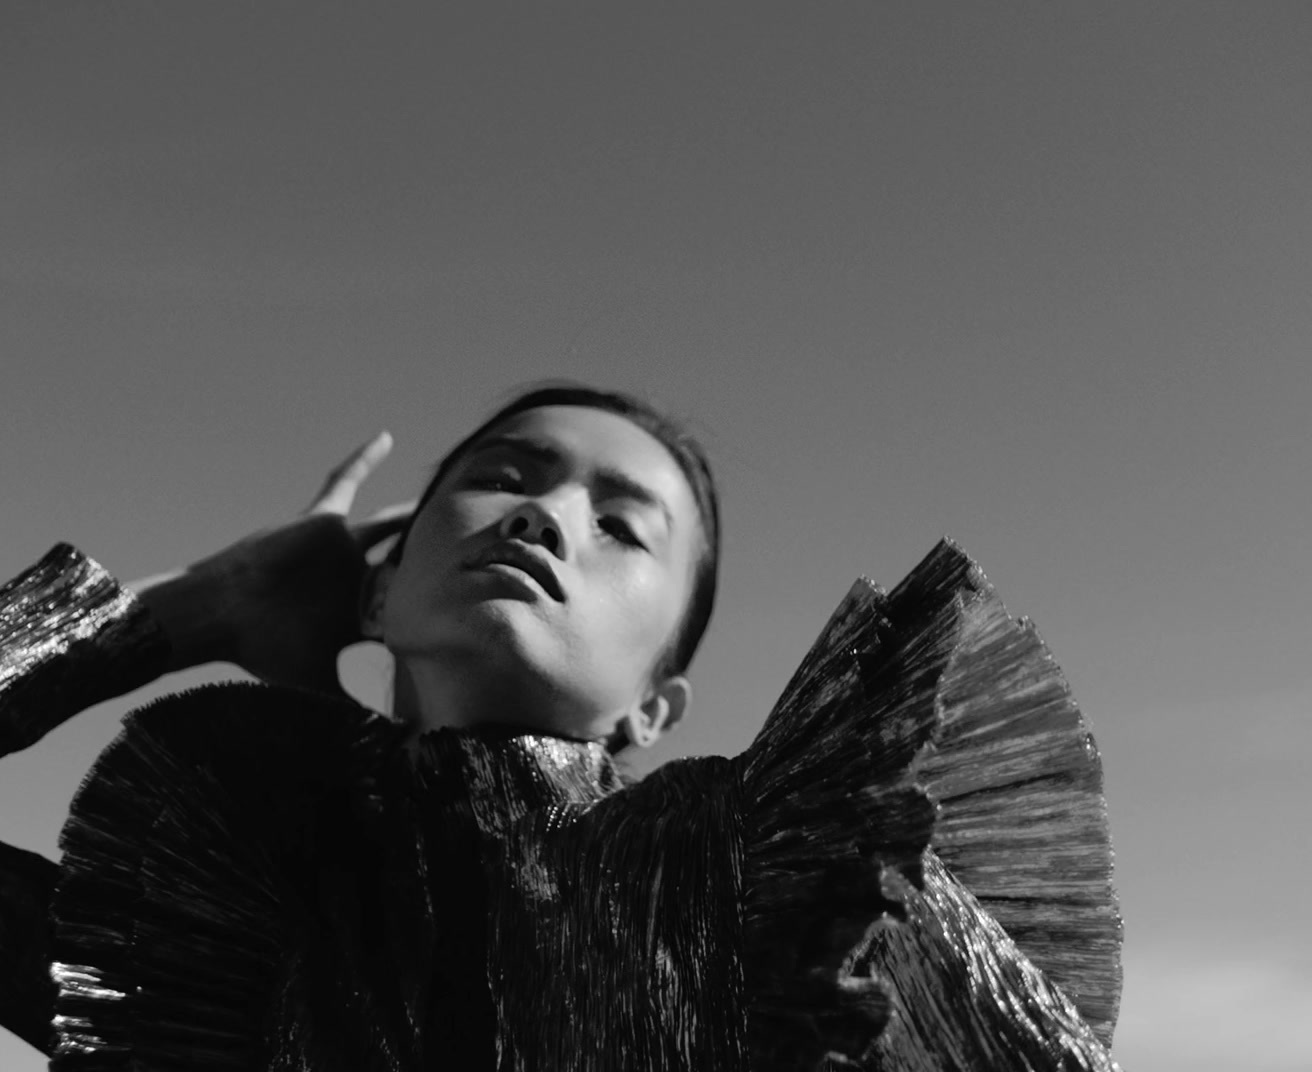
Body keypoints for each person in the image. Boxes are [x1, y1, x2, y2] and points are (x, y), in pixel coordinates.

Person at [0, 384, 1124, 1070]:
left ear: (654, 706)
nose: (545, 514)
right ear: (379, 601)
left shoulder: (786, 880)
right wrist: (182, 610)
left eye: (623, 524)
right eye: (501, 476)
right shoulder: (217, 918)